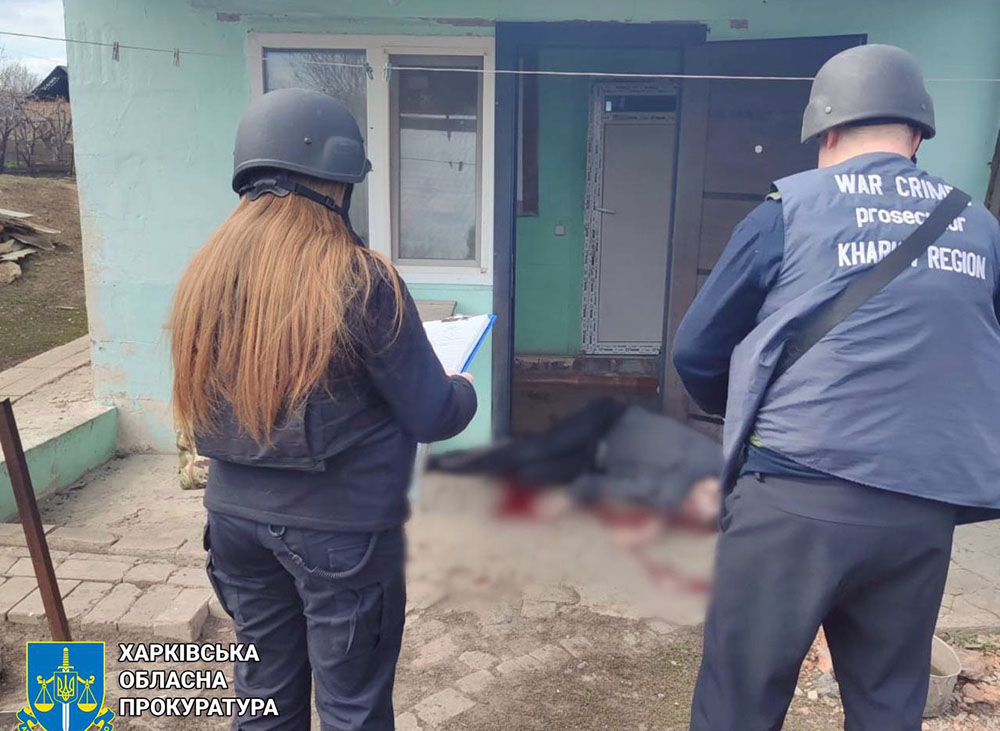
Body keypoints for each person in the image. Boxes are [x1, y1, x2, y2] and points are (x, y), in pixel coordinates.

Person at [672, 44, 1000, 730]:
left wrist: (745, 411)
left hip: (793, 499)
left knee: (738, 703)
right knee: (888, 704)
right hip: (920, 512)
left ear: (825, 132)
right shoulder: (979, 226)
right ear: (917, 136)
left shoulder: (788, 210)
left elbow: (697, 349)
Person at [169, 87, 477, 730]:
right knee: (351, 706)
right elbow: (432, 414)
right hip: (342, 539)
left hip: (234, 525)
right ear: (337, 184)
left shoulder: (205, 276)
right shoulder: (361, 279)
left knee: (263, 697)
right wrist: (461, 386)